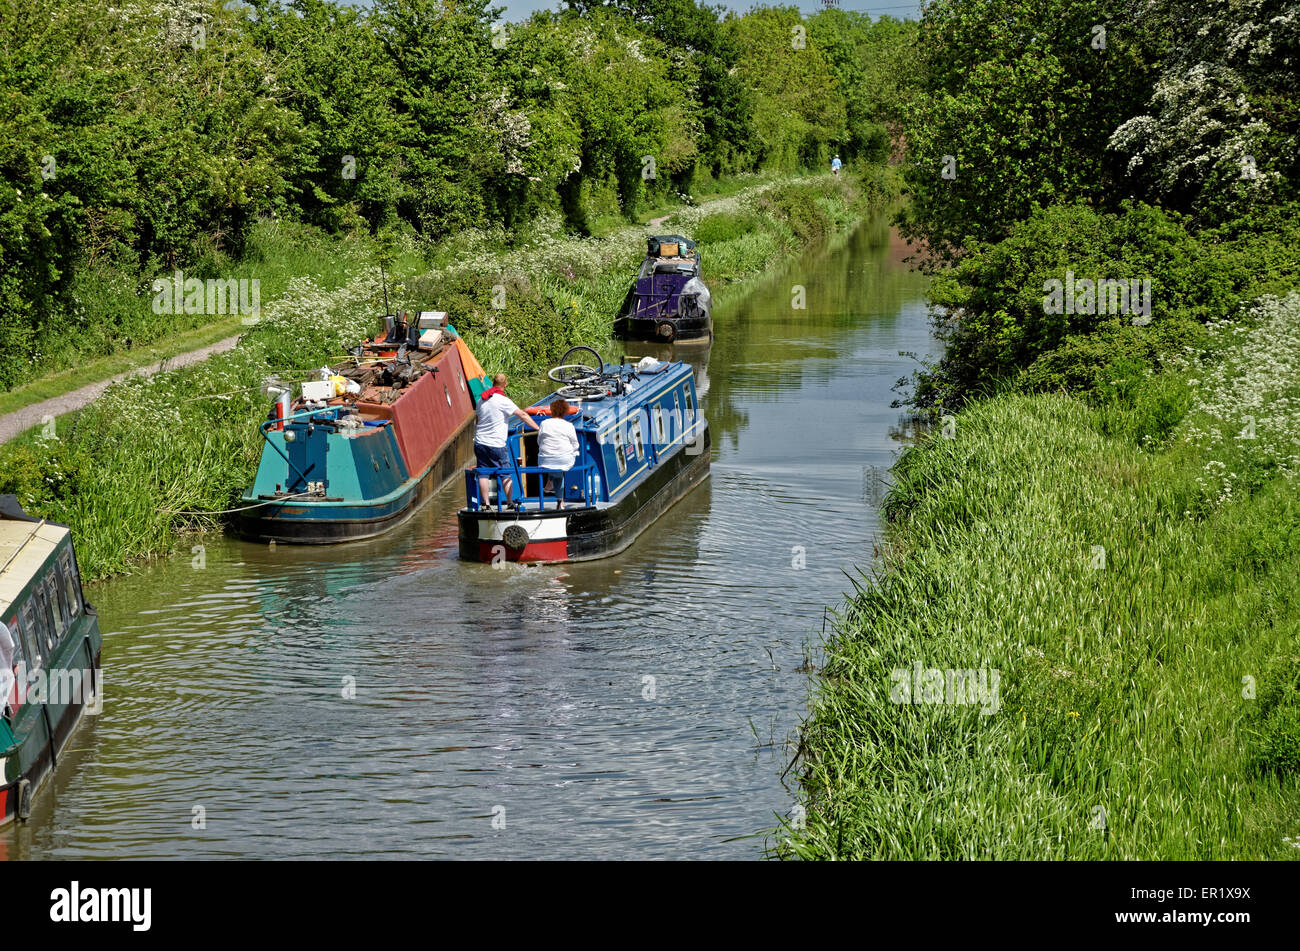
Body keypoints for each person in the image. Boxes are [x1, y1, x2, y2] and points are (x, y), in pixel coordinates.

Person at [475, 372, 539, 509]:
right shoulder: (503, 401)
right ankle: (509, 503)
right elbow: (522, 414)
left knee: (483, 473)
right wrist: (538, 428)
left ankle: (485, 505)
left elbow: (477, 420)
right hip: (496, 444)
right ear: (505, 385)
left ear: (493, 383)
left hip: (480, 442)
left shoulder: (481, 400)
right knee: (505, 472)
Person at [537, 398, 580, 509]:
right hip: (564, 459)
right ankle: (560, 501)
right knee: (560, 468)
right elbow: (576, 444)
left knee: (554, 465)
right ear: (565, 411)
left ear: (552, 410)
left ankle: (550, 481)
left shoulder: (544, 423)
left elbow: (539, 441)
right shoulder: (569, 425)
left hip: (545, 459)